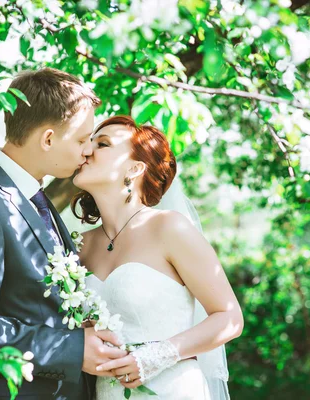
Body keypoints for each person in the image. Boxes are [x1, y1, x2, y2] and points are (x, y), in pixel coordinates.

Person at [0, 68, 127, 399]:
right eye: (82, 140)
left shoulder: (36, 199)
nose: (87, 151)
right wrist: (73, 349)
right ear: (48, 138)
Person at [72, 115, 244, 399]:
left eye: (102, 144)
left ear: (134, 168)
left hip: (172, 389)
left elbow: (229, 317)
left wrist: (157, 356)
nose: (86, 150)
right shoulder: (80, 245)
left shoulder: (169, 228)